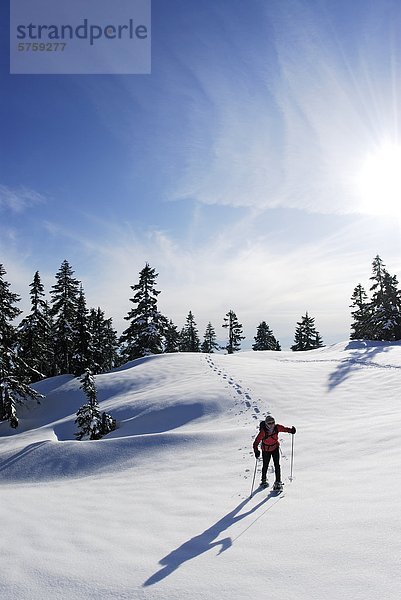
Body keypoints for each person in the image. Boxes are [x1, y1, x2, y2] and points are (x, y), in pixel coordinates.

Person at [253, 416, 296, 490]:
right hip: (266, 450)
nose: (271, 424)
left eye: (273, 422)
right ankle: (263, 480)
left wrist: (291, 430)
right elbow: (256, 442)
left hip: (275, 448)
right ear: (266, 424)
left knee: (277, 465)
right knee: (265, 465)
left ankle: (278, 482)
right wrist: (256, 451)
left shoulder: (277, 427)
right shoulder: (263, 432)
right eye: (269, 423)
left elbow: (284, 429)